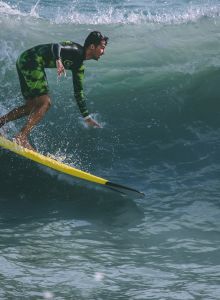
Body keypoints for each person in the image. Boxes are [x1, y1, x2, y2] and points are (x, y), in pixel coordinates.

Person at [0, 31, 108, 150]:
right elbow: (57, 45)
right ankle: (21, 137)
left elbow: (79, 92)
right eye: (102, 48)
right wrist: (58, 59)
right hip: (32, 60)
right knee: (45, 102)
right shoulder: (76, 49)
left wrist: (87, 117)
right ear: (92, 46)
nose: (104, 52)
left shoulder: (79, 66)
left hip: (25, 60)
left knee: (31, 106)